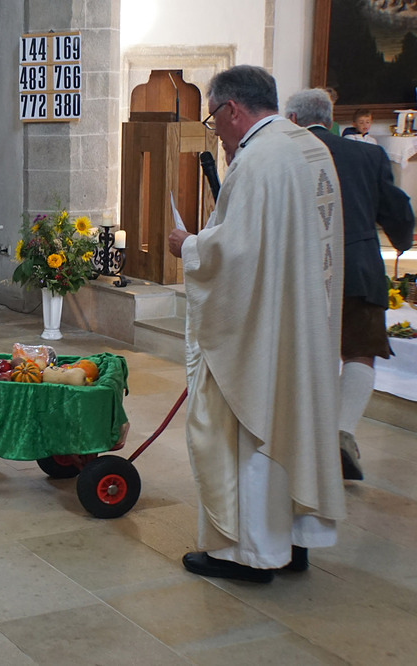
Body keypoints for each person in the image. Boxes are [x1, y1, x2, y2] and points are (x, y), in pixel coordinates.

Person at [167, 65, 346, 582]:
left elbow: (236, 252)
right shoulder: (307, 147)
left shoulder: (258, 160)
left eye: (213, 119)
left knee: (248, 426)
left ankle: (249, 554)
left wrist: (190, 246)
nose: (216, 132)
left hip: (261, 331)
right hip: (303, 325)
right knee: (296, 420)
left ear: (231, 110)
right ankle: (294, 541)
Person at [286, 89, 415, 480]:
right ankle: (341, 433)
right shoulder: (368, 155)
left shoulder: (286, 155)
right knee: (360, 352)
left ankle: (302, 441)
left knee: (303, 354)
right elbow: (397, 211)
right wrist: (402, 241)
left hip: (302, 271)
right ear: (329, 120)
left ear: (292, 120)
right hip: (358, 268)